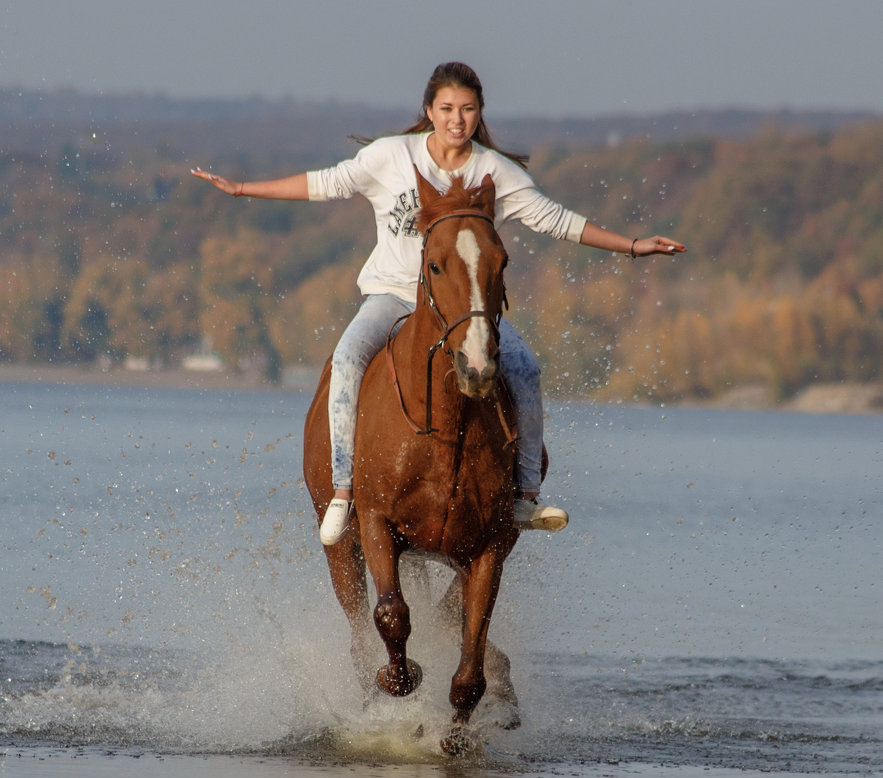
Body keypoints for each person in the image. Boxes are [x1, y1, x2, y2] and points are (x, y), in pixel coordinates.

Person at [192, 62, 686, 546]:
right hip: (393, 296)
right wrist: (242, 189)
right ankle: (343, 489)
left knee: (526, 369)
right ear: (429, 110)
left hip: (465, 308)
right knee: (345, 359)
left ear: (479, 114)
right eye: (447, 108)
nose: (457, 119)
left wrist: (633, 244)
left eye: (467, 109)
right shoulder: (390, 157)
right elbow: (326, 183)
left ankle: (526, 495)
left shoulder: (495, 172)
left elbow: (557, 220)